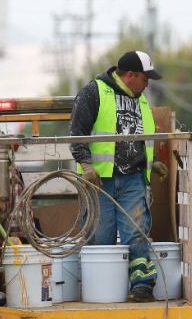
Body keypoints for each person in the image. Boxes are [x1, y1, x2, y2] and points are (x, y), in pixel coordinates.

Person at [69, 49, 169, 301]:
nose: (147, 85)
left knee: (136, 231)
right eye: (145, 79)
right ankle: (103, 290)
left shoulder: (140, 100)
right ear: (130, 75)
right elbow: (77, 133)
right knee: (101, 237)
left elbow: (139, 137)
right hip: (101, 181)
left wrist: (153, 161)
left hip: (133, 178)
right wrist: (86, 165)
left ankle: (142, 285)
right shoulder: (94, 92)